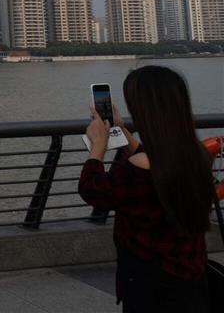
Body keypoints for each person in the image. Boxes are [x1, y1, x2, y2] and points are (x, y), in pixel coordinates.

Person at [78, 65, 214, 312]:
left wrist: (98, 145)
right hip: (190, 274)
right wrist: (122, 132)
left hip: (149, 282)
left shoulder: (137, 169)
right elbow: (157, 162)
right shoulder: (199, 155)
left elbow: (93, 190)